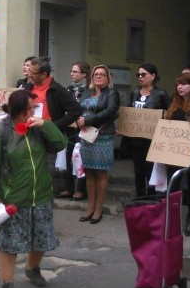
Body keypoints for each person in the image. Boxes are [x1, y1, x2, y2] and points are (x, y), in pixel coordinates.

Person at [0, 89, 66, 288]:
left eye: (34, 107)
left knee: (41, 239)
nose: (34, 111)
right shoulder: (0, 132)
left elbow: (60, 144)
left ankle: (32, 268)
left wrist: (46, 125)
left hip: (41, 197)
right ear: (17, 110)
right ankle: (7, 284)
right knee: (9, 246)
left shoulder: (38, 128)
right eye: (30, 108)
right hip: (13, 202)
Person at [23, 58, 82, 197]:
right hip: (29, 135)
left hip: (47, 137)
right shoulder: (29, 87)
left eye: (33, 72)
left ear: (44, 74)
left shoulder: (57, 90)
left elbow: (76, 109)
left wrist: (55, 125)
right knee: (28, 172)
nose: (30, 75)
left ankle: (42, 204)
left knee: (45, 172)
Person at [74, 65, 120, 224]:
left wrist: (87, 120)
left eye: (102, 74)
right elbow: (78, 109)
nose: (98, 76)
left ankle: (98, 209)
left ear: (107, 78)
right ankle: (90, 207)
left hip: (103, 136)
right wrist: (79, 120)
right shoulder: (86, 92)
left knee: (100, 173)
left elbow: (110, 111)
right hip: (86, 136)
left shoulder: (112, 93)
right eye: (96, 74)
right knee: (89, 172)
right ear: (92, 77)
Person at [165, 73, 190, 236]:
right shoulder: (174, 104)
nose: (180, 87)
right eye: (178, 84)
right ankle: (172, 218)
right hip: (174, 150)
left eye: (184, 84)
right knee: (173, 184)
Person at [127, 63, 170, 197]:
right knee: (138, 171)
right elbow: (129, 113)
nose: (140, 77)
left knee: (150, 171)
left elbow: (169, 114)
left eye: (143, 74)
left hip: (152, 141)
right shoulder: (135, 92)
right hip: (136, 140)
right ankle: (140, 198)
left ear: (153, 76)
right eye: (138, 74)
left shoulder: (161, 94)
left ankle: (151, 198)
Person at [67, 61, 90, 200]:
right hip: (69, 126)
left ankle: (80, 188)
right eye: (71, 71)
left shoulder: (89, 91)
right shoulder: (69, 89)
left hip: (83, 127)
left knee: (80, 157)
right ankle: (69, 187)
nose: (71, 74)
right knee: (69, 156)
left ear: (84, 74)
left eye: (75, 71)